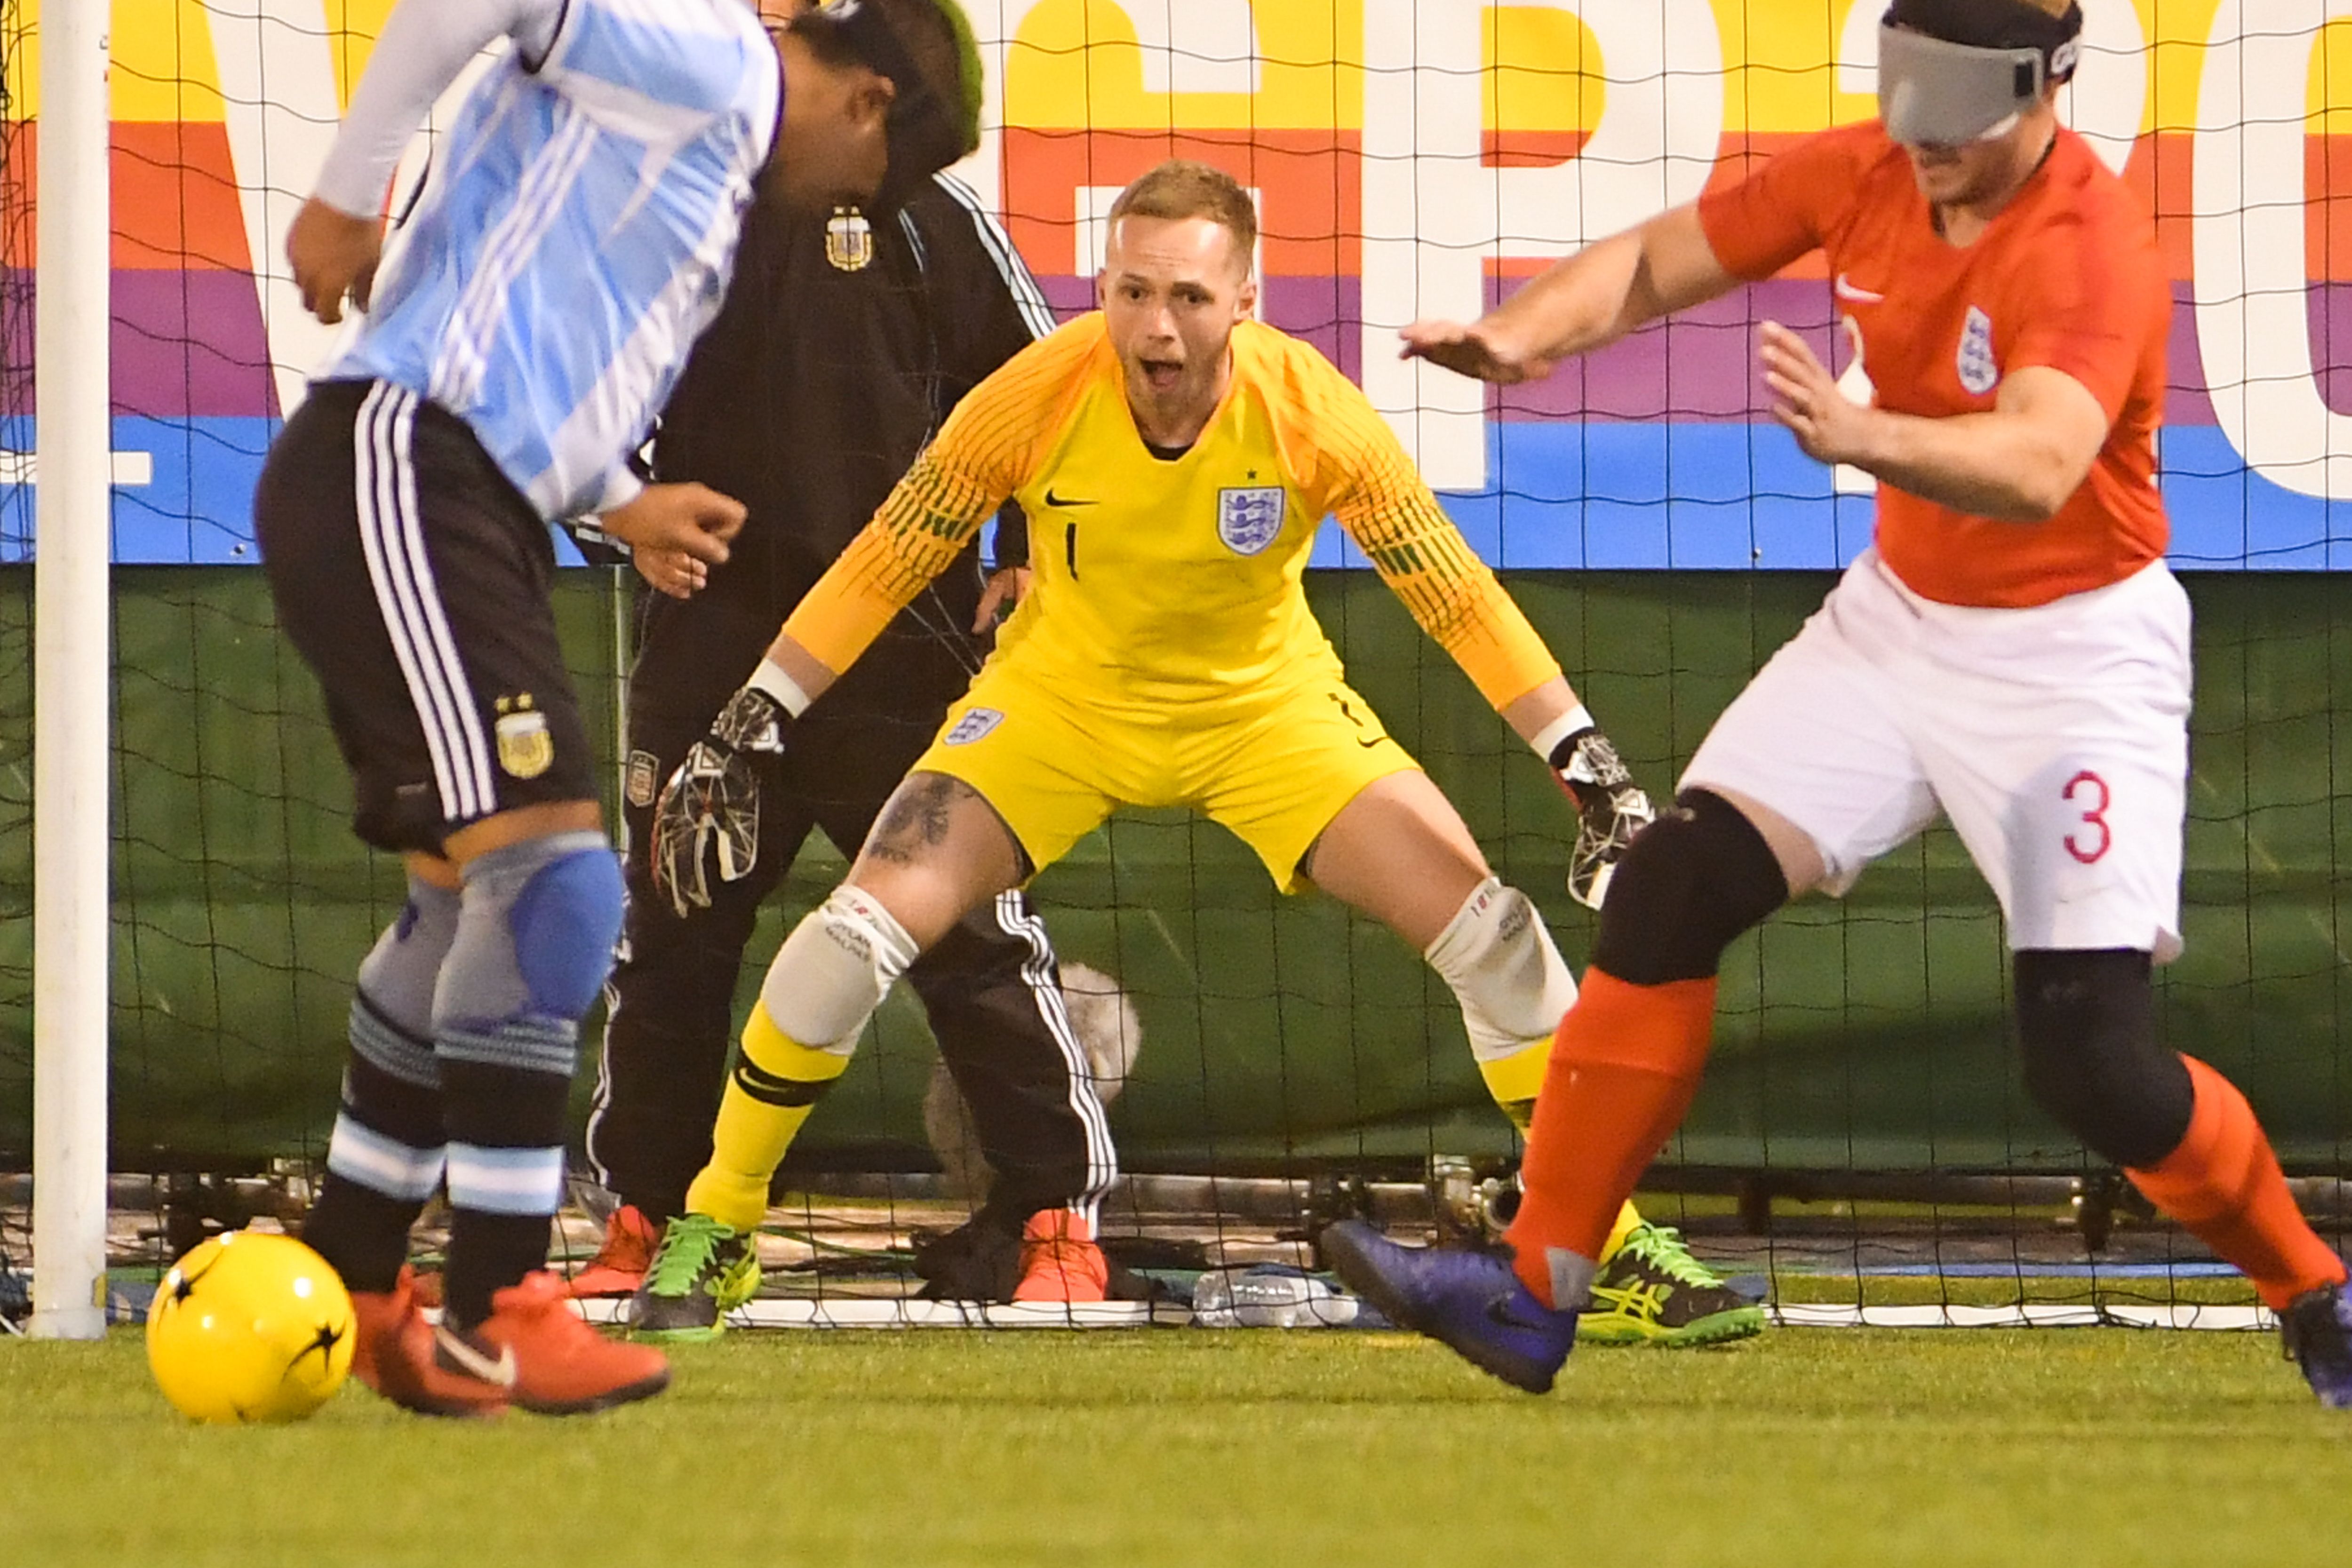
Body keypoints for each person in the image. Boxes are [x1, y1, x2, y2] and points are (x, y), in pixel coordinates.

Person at [1323, 0, 2352, 1405]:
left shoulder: (2088, 244)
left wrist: (1858, 432)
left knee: (2094, 1059)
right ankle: (1535, 1290)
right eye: (1905, 79)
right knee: (1672, 884)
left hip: (2072, 657)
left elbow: (2045, 458)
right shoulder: (1869, 164)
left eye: (1962, 95)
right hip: (1899, 621)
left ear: (2049, 86)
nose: (1924, 126)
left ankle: (2318, 1291)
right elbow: (1655, 259)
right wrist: (1523, 336)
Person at [631, 158, 1763, 1346]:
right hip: (1058, 706)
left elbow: (1453, 595)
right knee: (848, 935)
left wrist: (1582, 758)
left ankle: (1600, 1245)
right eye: (1127, 292)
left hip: (1264, 712)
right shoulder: (1036, 392)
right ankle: (723, 1223)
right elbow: (887, 557)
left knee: (1500, 936)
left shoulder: (1309, 408)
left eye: (1185, 296)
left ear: (1247, 301)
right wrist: (752, 716)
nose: (1153, 326)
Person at [252, 0, 983, 1414]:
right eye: (876, 183)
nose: (853, 206)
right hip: (410, 464)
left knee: (462, 898)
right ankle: (504, 1295)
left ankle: (354, 1275)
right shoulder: (713, 61)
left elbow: (544, 328)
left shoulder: (698, 162)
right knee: (561, 890)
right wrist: (346, 195)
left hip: (467, 490)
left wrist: (618, 496)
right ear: (870, 106)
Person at [575, 159, 1133, 1317]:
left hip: (909, 649)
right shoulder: (646, 199)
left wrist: (1026, 542)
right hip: (709, 644)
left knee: (972, 944)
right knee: (672, 939)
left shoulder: (930, 210)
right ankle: (651, 1219)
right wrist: (622, 513)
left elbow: (1044, 387)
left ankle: (1054, 1219)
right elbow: (559, 402)